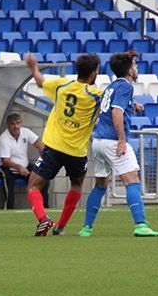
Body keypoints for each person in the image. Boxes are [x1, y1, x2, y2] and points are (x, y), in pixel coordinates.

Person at [79, 52, 158, 238]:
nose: (136, 68)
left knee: (100, 184)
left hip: (98, 141)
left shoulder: (111, 86)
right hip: (112, 141)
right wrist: (122, 140)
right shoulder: (126, 86)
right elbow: (116, 112)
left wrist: (134, 105)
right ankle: (141, 225)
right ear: (130, 70)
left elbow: (110, 107)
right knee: (132, 180)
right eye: (135, 64)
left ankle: (86, 228)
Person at [24, 53, 103, 236]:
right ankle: (60, 227)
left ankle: (43, 219)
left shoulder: (62, 85)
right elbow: (115, 102)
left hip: (53, 147)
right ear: (93, 74)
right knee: (76, 185)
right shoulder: (97, 96)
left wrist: (34, 66)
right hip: (77, 151)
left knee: (34, 186)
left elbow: (39, 81)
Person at [0, 113, 47, 210]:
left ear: (21, 124)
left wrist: (43, 156)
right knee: (8, 188)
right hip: (5, 167)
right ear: (8, 125)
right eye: (12, 124)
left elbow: (39, 144)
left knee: (42, 177)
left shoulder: (25, 132)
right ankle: (8, 211)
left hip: (24, 166)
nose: (16, 126)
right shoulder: (4, 137)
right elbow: (5, 160)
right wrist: (19, 167)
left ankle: (44, 208)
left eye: (18, 123)